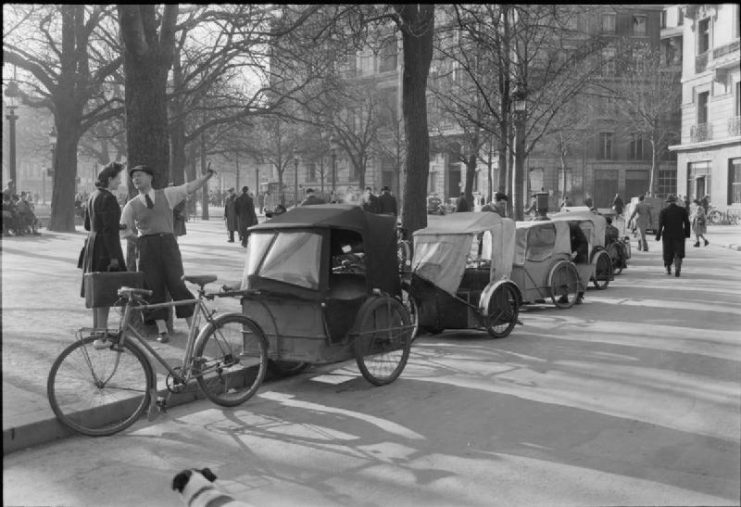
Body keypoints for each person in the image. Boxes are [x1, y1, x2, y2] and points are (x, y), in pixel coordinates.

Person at [120, 162, 215, 343]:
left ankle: (193, 328)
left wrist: (207, 176)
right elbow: (124, 231)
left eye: (140, 175)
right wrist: (140, 242)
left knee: (177, 284)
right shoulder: (130, 206)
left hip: (168, 244)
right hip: (147, 247)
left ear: (150, 177)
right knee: (152, 288)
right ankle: (162, 331)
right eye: (133, 177)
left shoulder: (167, 194)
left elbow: (189, 188)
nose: (136, 179)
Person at [79, 162, 128, 347]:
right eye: (118, 178)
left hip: (93, 245)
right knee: (105, 293)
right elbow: (109, 232)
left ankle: (97, 332)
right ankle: (101, 336)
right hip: (105, 249)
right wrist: (114, 257)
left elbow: (87, 225)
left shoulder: (92, 196)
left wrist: (116, 225)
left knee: (96, 292)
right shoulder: (109, 198)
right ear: (110, 179)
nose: (120, 182)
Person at [655, 194, 691, 277]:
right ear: (675, 201)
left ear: (668, 202)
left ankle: (668, 267)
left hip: (667, 235)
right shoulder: (682, 210)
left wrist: (658, 235)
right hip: (679, 234)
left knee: (668, 251)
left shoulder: (664, 211)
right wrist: (687, 234)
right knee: (678, 252)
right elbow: (687, 223)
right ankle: (677, 268)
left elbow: (660, 225)